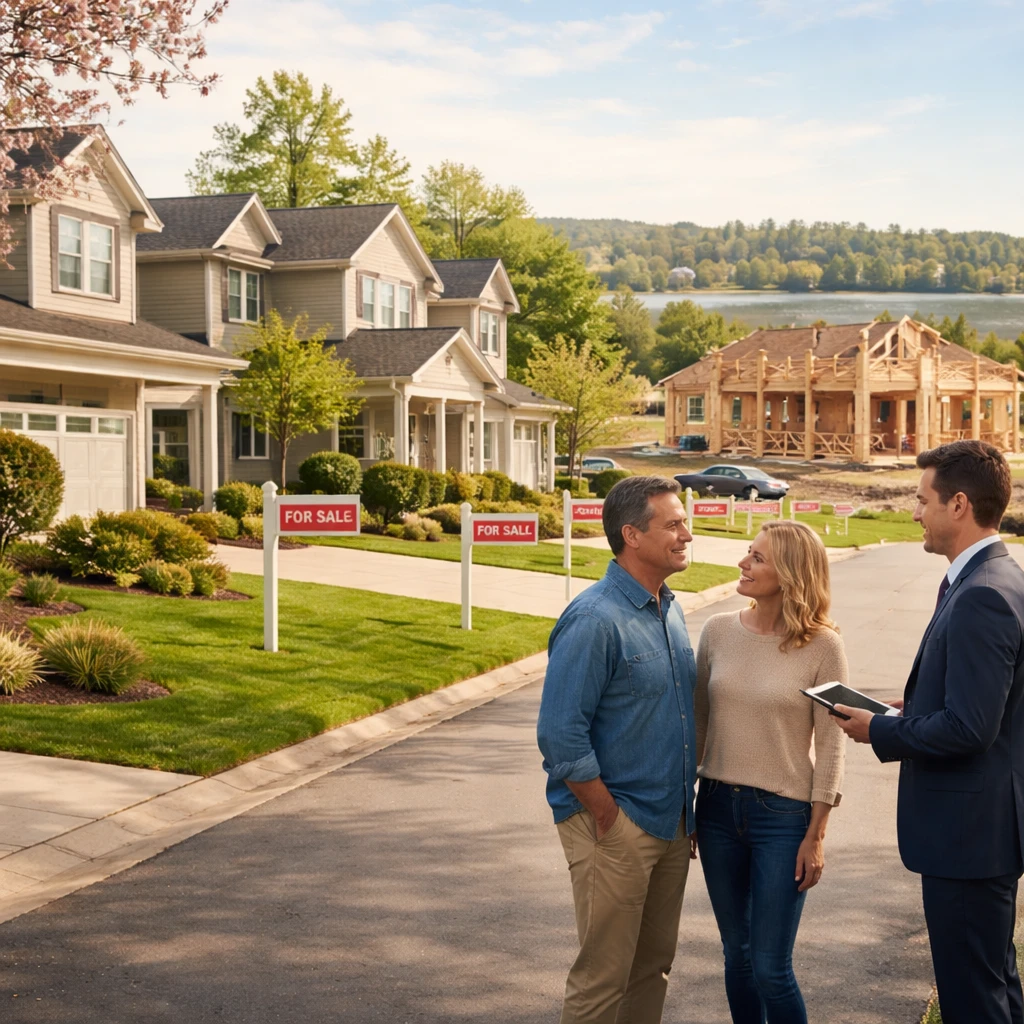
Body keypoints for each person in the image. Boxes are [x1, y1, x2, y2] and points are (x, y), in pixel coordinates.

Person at [835, 440, 1024, 1024]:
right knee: (993, 986)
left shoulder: (983, 594)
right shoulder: (998, 577)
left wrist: (882, 731)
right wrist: (914, 705)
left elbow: (971, 727)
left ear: (959, 504)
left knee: (974, 1001)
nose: (914, 511)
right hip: (982, 833)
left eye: (922, 500)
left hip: (968, 839)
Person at [537, 475, 697, 1024]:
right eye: (672, 524)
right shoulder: (594, 618)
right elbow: (560, 735)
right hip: (615, 826)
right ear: (631, 534)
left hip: (671, 823)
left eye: (685, 522)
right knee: (603, 977)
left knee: (652, 967)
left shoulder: (669, 608)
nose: (686, 534)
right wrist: (608, 815)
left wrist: (685, 815)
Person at [694, 520, 846, 1024]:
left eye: (757, 558)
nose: (743, 563)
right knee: (735, 957)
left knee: (770, 968)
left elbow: (830, 747)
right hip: (715, 809)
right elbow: (696, 722)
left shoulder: (823, 647)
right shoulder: (717, 631)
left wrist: (816, 835)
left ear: (791, 573)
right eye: (748, 552)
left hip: (782, 818)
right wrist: (686, 805)